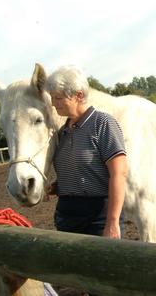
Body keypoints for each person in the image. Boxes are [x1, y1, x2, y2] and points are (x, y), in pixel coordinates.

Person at [44, 65, 127, 239]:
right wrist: (58, 186)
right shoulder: (62, 132)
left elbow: (119, 174)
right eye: (52, 97)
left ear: (79, 95)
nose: (53, 103)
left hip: (98, 219)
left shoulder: (102, 123)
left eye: (58, 97)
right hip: (66, 218)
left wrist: (112, 222)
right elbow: (82, 170)